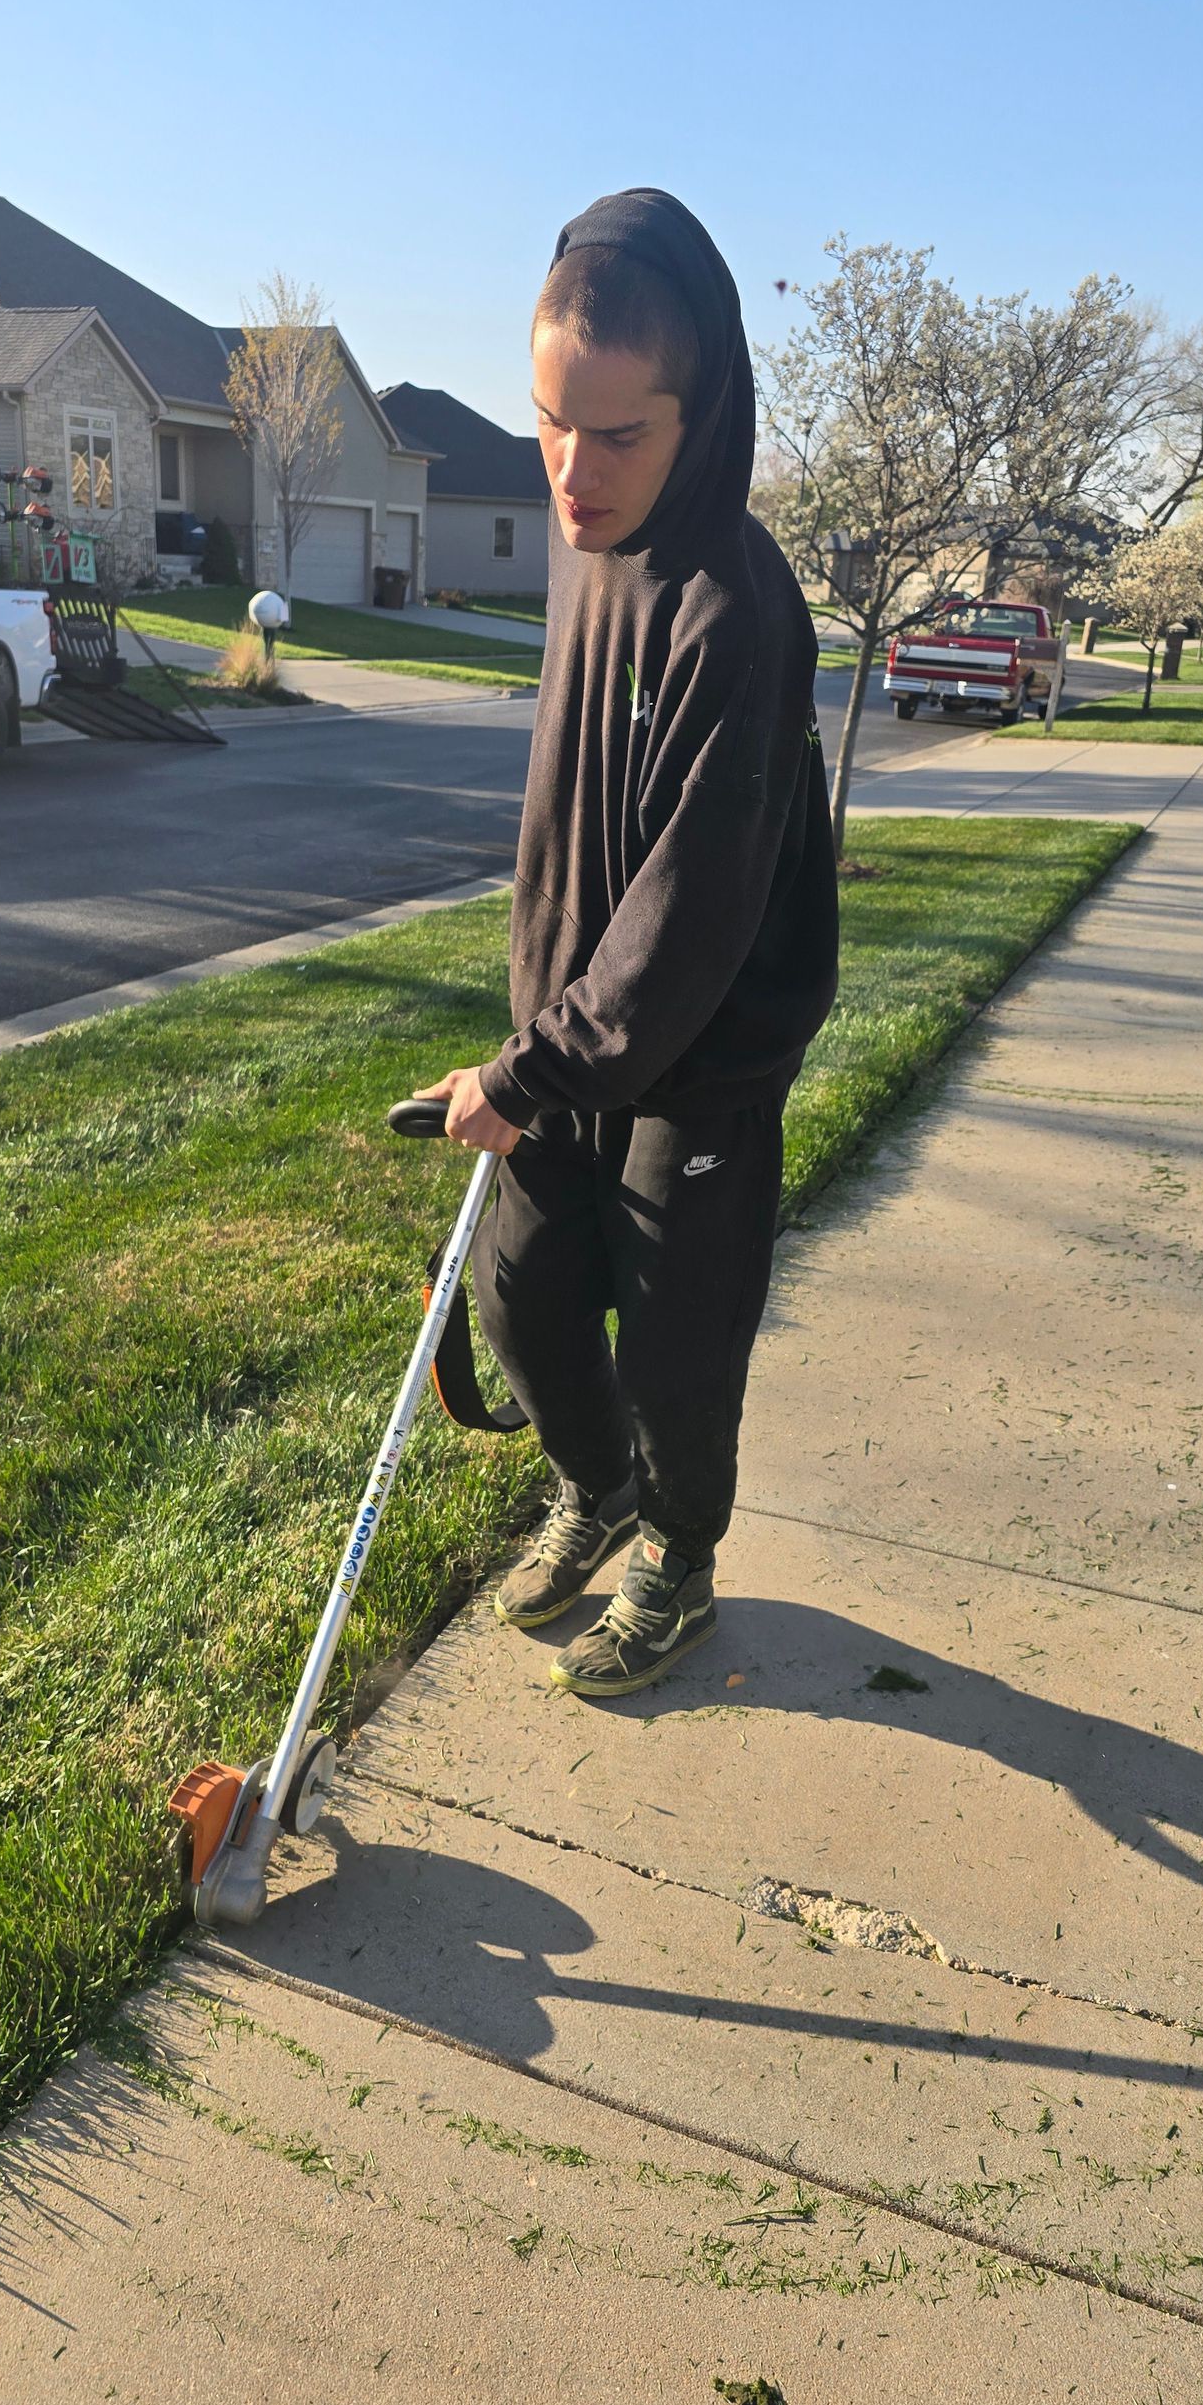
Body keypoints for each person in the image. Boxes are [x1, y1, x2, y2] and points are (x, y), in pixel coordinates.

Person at [415, 187, 838, 1699]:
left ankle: (679, 1552)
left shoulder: (737, 608)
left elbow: (690, 915)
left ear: (703, 409)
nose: (571, 475)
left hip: (697, 1064)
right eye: (549, 427)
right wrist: (539, 1039)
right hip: (572, 1034)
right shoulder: (587, 544)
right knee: (525, 1302)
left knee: (677, 1345)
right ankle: (593, 1492)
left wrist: (535, 1069)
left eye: (617, 436)